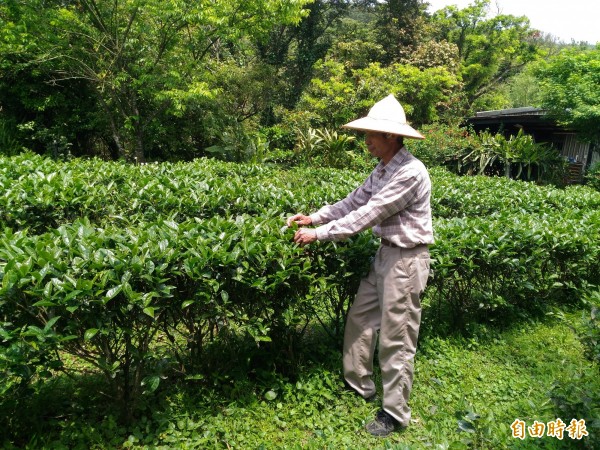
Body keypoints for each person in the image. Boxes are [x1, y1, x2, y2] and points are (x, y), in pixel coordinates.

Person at [286, 94, 433, 437]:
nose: (366, 140)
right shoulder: (383, 168)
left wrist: (318, 234)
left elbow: (369, 214)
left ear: (392, 137)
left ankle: (394, 414)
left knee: (397, 338)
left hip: (406, 261)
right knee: (361, 318)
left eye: (372, 134)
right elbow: (355, 201)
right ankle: (360, 385)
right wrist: (316, 216)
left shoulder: (410, 173)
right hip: (385, 255)